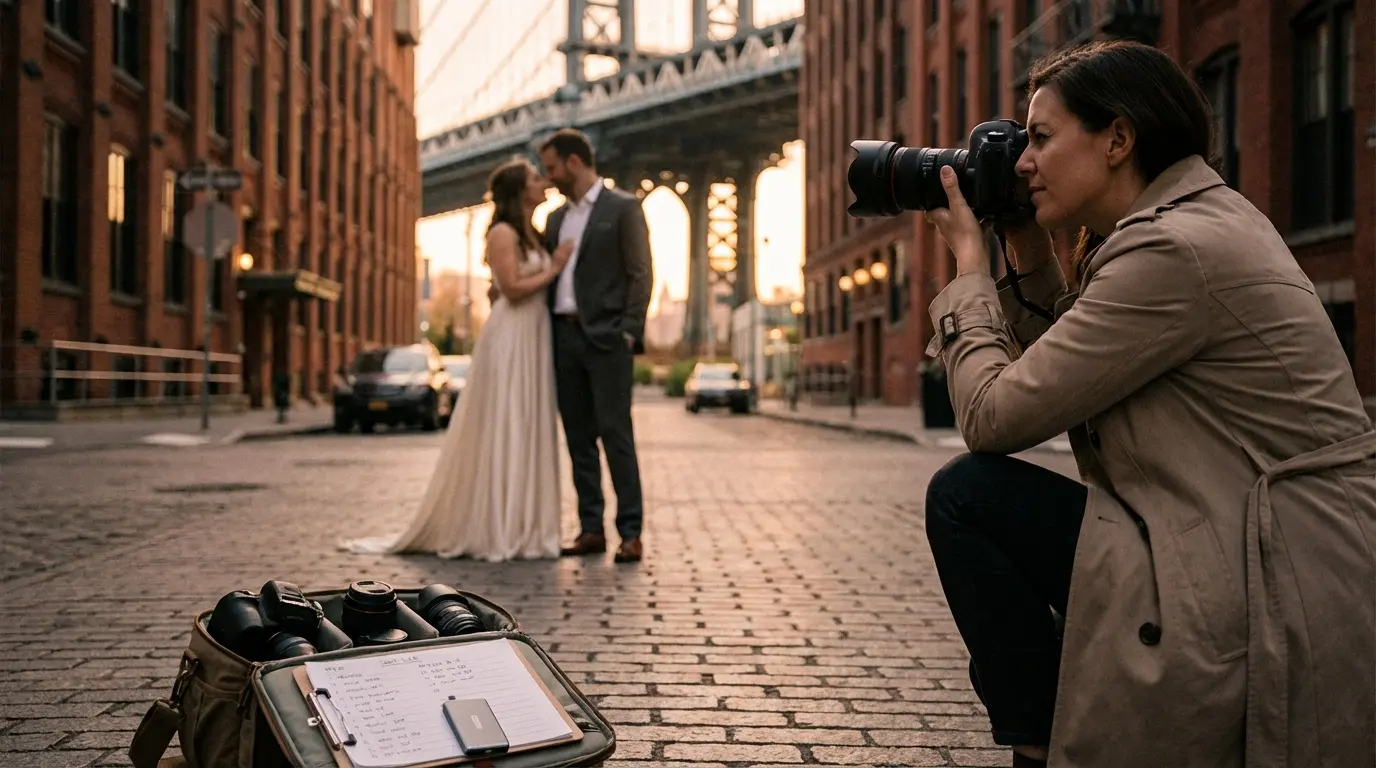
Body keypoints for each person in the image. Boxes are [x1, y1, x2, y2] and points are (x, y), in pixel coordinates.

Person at [920, 40, 1376, 768]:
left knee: (969, 496)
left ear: (1118, 140)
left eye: (1040, 137)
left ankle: (1037, 747)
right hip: (1252, 539)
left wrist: (972, 273)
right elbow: (1066, 374)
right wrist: (1031, 258)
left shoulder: (1171, 250)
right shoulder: (1185, 225)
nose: (1021, 162)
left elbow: (993, 419)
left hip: (1267, 572)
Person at [339, 158, 572, 561]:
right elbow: (513, 289)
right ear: (519, 190)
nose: (543, 181)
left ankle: (525, 524)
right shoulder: (501, 232)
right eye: (536, 177)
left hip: (532, 336)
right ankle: (498, 525)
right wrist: (553, 268)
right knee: (508, 423)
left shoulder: (531, 233)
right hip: (512, 337)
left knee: (527, 423)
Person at [530, 128, 654, 564]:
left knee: (616, 434)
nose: (548, 177)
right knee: (578, 438)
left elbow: (640, 272)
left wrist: (628, 330)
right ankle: (591, 529)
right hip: (564, 338)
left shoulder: (623, 207)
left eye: (551, 168)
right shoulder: (555, 219)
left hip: (607, 339)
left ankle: (631, 533)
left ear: (574, 163)